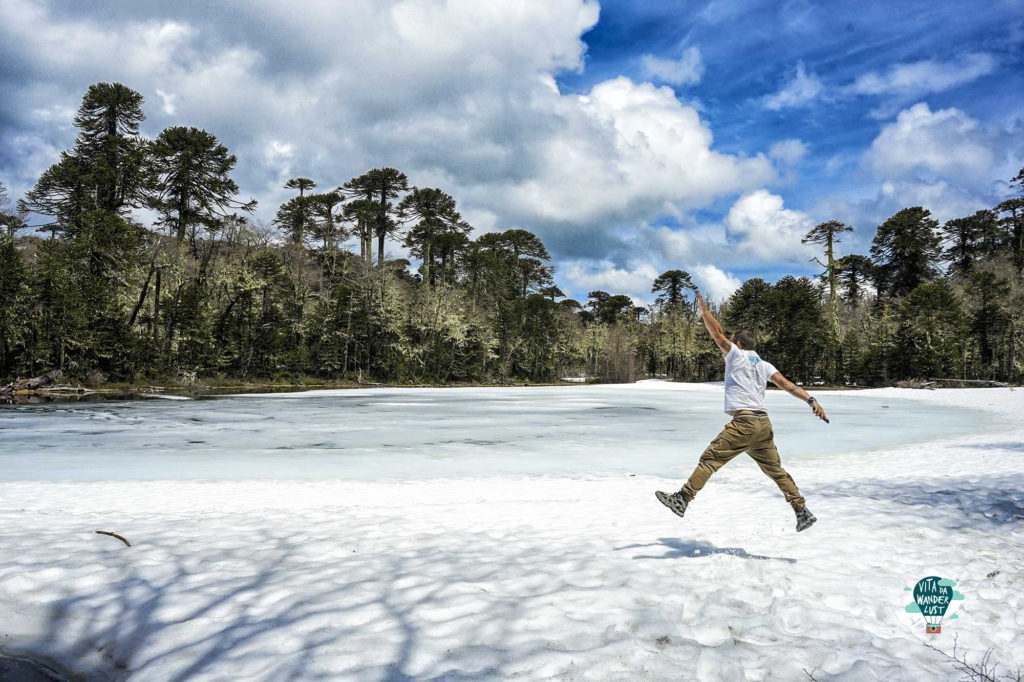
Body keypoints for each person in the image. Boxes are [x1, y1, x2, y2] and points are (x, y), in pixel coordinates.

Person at [655, 291, 828, 532]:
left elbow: (717, 334)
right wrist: (811, 400)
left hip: (744, 423)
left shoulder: (736, 356)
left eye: (731, 341)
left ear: (737, 344)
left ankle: (682, 499)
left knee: (709, 460)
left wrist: (704, 312)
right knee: (776, 471)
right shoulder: (765, 365)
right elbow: (787, 385)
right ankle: (802, 511)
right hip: (763, 425)